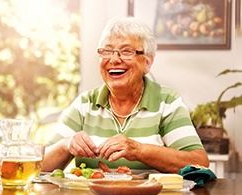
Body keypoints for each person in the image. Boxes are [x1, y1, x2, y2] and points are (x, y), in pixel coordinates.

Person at [41, 17, 209, 174]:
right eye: (107, 51)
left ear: (147, 62)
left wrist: (138, 150)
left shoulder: (167, 102)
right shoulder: (85, 104)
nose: (114, 59)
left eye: (126, 51)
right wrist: (66, 145)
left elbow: (199, 163)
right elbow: (39, 164)